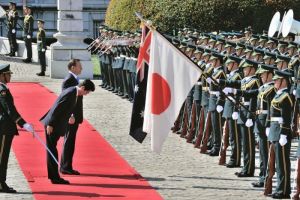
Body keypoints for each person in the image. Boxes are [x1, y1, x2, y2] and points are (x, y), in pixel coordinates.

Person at [40, 79, 95, 184]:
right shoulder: (71, 93)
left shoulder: (73, 92)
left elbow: (67, 108)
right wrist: (50, 124)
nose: (86, 94)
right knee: (52, 151)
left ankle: (54, 177)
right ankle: (55, 178)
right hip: (52, 124)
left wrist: (71, 116)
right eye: (87, 92)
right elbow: (57, 107)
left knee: (52, 149)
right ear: (83, 88)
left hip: (55, 124)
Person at [0, 64, 34, 193]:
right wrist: (23, 123)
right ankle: (0, 184)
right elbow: (10, 110)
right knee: (2, 157)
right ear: (2, 75)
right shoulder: (2, 90)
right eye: (8, 74)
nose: (10, 76)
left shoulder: (3, 88)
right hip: (4, 127)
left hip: (4, 126)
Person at [60, 59, 82, 175]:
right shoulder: (70, 80)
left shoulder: (74, 79)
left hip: (73, 116)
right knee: (68, 141)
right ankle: (65, 167)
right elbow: (68, 99)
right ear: (73, 67)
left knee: (70, 141)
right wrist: (71, 114)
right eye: (79, 66)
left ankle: (67, 165)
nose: (81, 68)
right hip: (70, 116)